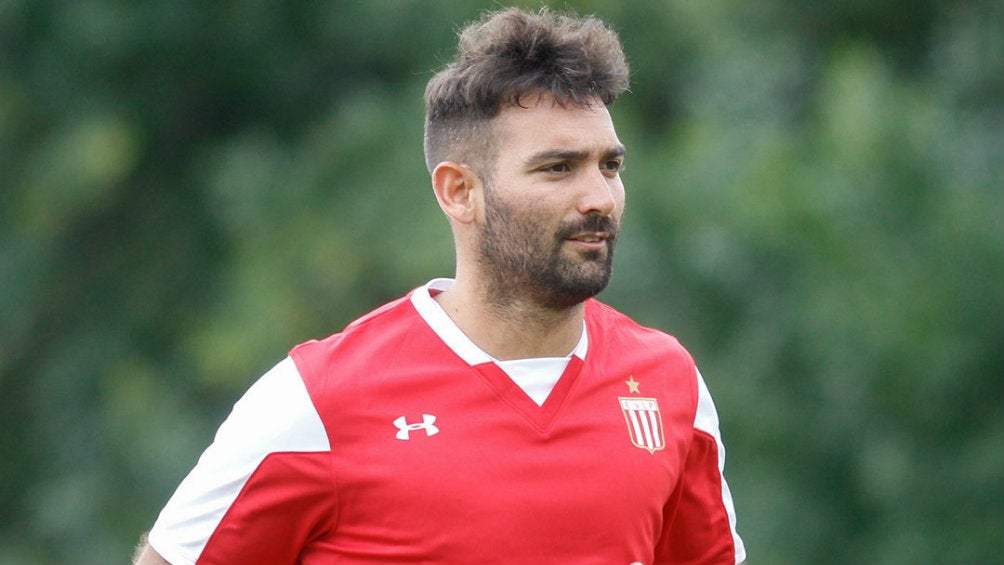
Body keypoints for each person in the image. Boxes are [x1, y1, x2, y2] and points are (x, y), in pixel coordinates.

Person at [132, 7, 745, 565]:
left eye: (609, 166)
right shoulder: (319, 401)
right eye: (557, 168)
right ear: (459, 191)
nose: (599, 199)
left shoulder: (671, 385)